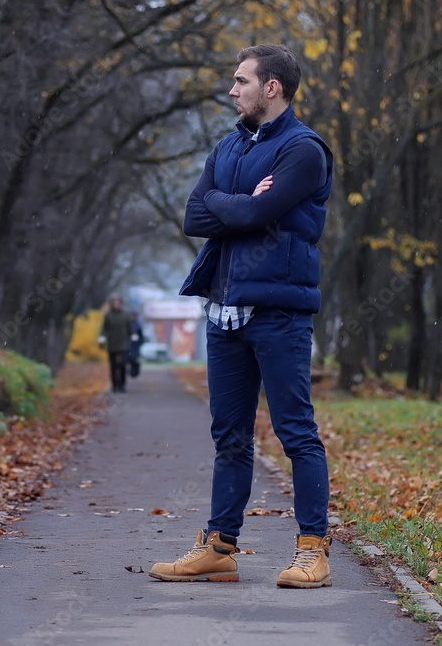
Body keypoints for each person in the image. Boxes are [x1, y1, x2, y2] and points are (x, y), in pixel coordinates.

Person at [149, 44, 334, 588]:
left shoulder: (304, 150)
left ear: (270, 87)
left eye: (240, 81)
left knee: (296, 432)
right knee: (229, 437)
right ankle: (219, 547)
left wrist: (229, 205)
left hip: (279, 313)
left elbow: (254, 212)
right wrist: (240, 203)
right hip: (225, 313)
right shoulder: (229, 145)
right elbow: (192, 214)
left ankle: (312, 551)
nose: (232, 90)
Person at [98, 296, 134, 393]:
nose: (116, 305)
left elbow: (130, 327)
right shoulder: (108, 315)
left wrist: (133, 335)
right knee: (113, 366)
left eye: (118, 303)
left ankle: (122, 385)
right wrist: (102, 337)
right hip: (112, 343)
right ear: (112, 304)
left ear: (120, 304)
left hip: (123, 344)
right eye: (114, 303)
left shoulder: (125, 315)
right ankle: (115, 385)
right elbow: (104, 328)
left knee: (122, 365)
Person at [128, 312, 145, 378]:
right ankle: (131, 372)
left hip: (135, 346)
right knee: (128, 359)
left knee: (135, 359)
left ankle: (135, 372)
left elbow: (141, 337)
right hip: (128, 345)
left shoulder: (138, 325)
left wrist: (138, 343)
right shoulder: (127, 324)